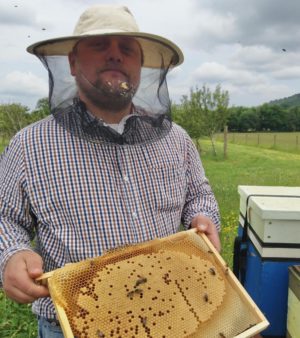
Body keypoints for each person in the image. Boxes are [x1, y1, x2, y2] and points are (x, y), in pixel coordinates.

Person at [0, 4, 221, 337]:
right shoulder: (29, 145)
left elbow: (198, 195)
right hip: (74, 323)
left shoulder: (178, 140)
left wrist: (202, 216)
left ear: (141, 65)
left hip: (167, 311)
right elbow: (5, 217)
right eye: (101, 45)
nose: (116, 56)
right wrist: (12, 253)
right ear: (72, 63)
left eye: (127, 49)